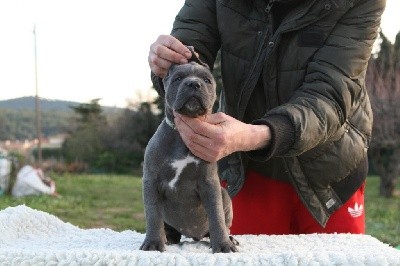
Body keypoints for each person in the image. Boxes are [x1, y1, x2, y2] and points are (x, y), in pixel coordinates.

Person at [148, 0, 386, 235]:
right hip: (249, 168)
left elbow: (331, 93)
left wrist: (256, 135)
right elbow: (191, 46)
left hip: (330, 171)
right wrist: (169, 63)